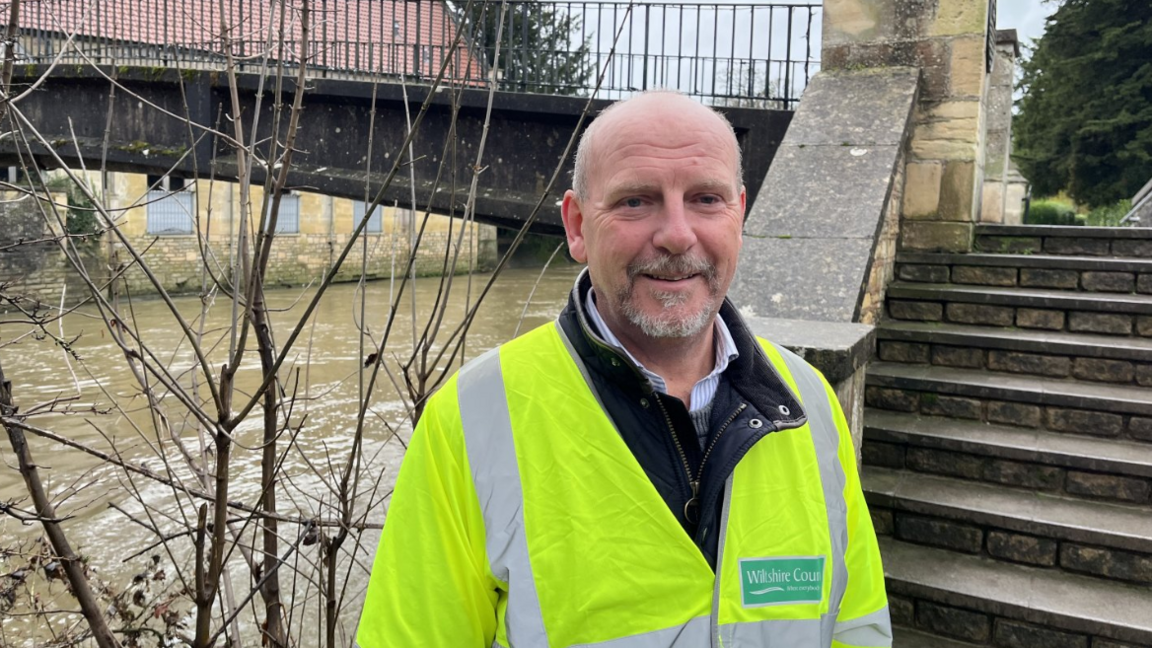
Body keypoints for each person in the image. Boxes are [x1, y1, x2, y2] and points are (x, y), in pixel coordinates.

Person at [356, 91, 891, 647]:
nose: (678, 234)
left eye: (707, 198)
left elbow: (858, 627)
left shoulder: (809, 402)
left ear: (740, 214)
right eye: (636, 202)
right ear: (577, 225)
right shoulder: (469, 422)